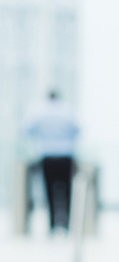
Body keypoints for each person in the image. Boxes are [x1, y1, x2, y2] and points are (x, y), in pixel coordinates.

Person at [24, 90, 79, 231]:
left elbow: (28, 130)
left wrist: (43, 138)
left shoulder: (39, 111)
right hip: (66, 155)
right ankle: (66, 223)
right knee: (67, 190)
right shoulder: (68, 110)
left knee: (48, 190)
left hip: (47, 155)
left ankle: (52, 223)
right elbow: (77, 130)